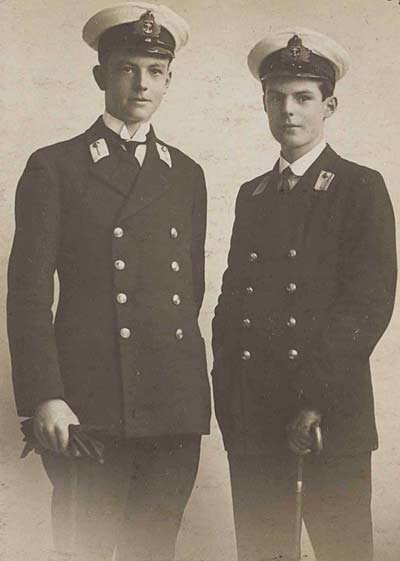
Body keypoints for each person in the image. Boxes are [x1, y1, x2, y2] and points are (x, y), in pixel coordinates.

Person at [7, 3, 211, 560]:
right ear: (101, 75)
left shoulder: (187, 174)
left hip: (171, 408)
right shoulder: (56, 167)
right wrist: (45, 395)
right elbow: (27, 295)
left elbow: (189, 292)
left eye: (154, 70)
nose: (140, 83)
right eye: (126, 68)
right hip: (88, 405)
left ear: (169, 79)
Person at [212, 27, 396, 561]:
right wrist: (229, 391)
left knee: (343, 552)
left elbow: (368, 304)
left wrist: (315, 400)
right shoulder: (253, 194)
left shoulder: (360, 187)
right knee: (262, 552)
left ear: (329, 104)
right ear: (264, 102)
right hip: (255, 417)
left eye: (304, 97)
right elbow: (232, 302)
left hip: (327, 418)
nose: (288, 110)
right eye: (276, 98)